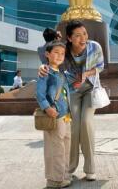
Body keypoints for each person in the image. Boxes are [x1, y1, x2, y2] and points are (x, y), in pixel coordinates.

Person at [39, 20, 104, 181]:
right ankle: (70, 167)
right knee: (73, 126)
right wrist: (42, 67)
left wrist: (85, 75)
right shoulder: (64, 50)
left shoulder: (94, 47)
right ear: (69, 38)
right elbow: (47, 55)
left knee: (86, 123)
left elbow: (101, 66)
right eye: (77, 35)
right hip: (71, 91)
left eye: (85, 34)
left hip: (90, 89)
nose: (83, 38)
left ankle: (90, 168)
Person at [36, 40, 72, 189]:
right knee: (55, 149)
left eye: (62, 53)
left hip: (67, 115)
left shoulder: (63, 73)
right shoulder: (45, 71)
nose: (59, 56)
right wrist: (47, 108)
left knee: (65, 147)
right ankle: (54, 180)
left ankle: (64, 175)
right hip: (54, 115)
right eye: (56, 52)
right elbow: (39, 94)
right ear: (47, 54)